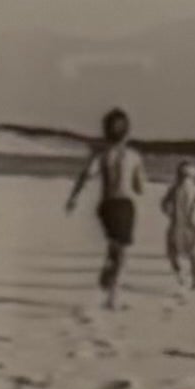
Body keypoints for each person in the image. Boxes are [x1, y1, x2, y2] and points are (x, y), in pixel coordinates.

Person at [64, 105, 146, 300]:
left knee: (114, 245)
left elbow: (85, 176)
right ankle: (113, 295)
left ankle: (108, 274)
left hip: (106, 205)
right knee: (123, 252)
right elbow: (140, 188)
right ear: (127, 132)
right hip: (124, 204)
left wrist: (73, 198)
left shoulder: (102, 155)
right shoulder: (133, 156)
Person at [160, 153, 195, 291]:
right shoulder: (193, 189)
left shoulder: (174, 188)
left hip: (176, 225)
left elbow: (163, 204)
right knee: (193, 254)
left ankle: (181, 274)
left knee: (172, 253)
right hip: (190, 225)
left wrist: (168, 212)